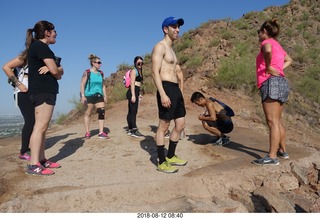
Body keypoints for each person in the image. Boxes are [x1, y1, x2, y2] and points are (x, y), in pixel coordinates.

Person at [252, 19, 292, 166]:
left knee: (272, 122)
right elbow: (289, 60)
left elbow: (267, 50)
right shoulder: (279, 45)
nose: (258, 35)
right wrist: (280, 69)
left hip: (270, 82)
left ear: (264, 32)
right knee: (277, 121)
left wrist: (268, 67)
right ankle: (283, 151)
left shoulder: (266, 42)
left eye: (259, 32)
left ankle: (272, 156)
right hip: (281, 82)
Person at [26, 20, 64, 175]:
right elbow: (57, 72)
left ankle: (41, 159)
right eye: (54, 31)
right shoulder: (40, 46)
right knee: (40, 126)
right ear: (47, 32)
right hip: (42, 90)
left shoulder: (41, 47)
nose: (56, 34)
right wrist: (56, 69)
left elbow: (57, 71)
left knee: (43, 127)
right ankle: (33, 164)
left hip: (45, 90)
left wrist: (57, 69)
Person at [151, 16, 187, 173]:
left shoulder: (172, 49)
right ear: (166, 29)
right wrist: (163, 94)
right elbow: (154, 72)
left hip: (175, 90)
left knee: (180, 125)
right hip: (166, 88)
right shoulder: (160, 46)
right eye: (174, 26)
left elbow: (177, 71)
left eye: (178, 26)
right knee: (164, 126)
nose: (177, 29)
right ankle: (162, 161)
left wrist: (180, 89)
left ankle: (171, 156)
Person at [2, 47, 49, 161]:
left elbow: (59, 69)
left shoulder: (41, 59)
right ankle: (23, 151)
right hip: (23, 93)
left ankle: (31, 148)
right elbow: (6, 67)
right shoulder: (24, 58)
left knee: (37, 121)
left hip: (35, 93)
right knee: (30, 120)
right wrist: (18, 84)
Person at [80, 54, 109, 139]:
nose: (100, 64)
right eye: (98, 62)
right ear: (93, 63)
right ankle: (87, 132)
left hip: (99, 95)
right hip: (89, 95)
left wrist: (105, 96)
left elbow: (103, 85)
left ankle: (101, 132)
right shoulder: (87, 72)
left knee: (101, 112)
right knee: (88, 113)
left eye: (100, 62)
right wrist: (82, 96)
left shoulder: (101, 73)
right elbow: (82, 84)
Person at [126, 56, 144, 138]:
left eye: (141, 63)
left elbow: (139, 84)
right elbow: (132, 83)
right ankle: (134, 129)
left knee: (132, 110)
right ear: (135, 63)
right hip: (132, 91)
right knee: (133, 110)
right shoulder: (134, 71)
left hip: (136, 91)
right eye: (139, 63)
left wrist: (139, 93)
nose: (140, 64)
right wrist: (133, 95)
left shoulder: (140, 71)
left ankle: (130, 128)